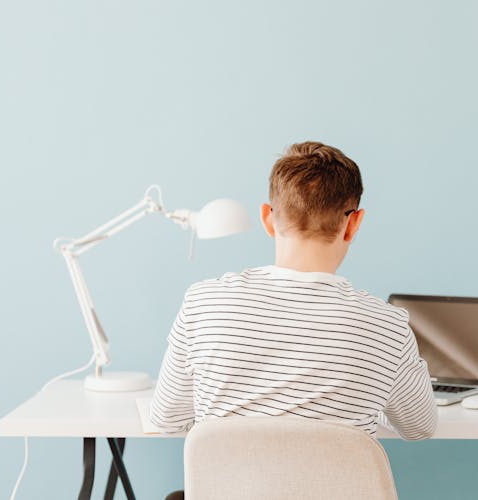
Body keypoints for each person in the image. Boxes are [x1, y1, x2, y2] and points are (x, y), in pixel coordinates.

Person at [150, 141, 437, 441]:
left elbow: (168, 419)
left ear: (268, 219)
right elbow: (420, 427)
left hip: (230, 489)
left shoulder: (204, 304)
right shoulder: (386, 327)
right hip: (338, 490)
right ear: (353, 223)